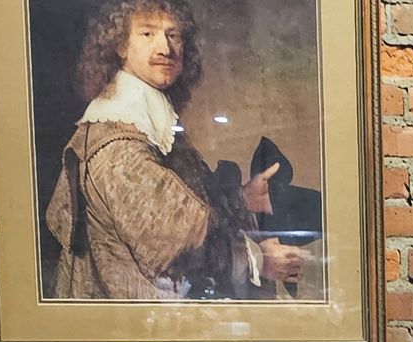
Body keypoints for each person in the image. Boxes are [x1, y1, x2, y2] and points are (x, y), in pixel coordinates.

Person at [44, 0, 306, 300]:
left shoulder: (146, 121)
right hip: (133, 323)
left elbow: (175, 208)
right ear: (121, 46)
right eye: (147, 34)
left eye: (173, 35)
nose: (165, 49)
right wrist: (260, 259)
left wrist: (243, 198)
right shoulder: (118, 144)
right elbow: (184, 249)